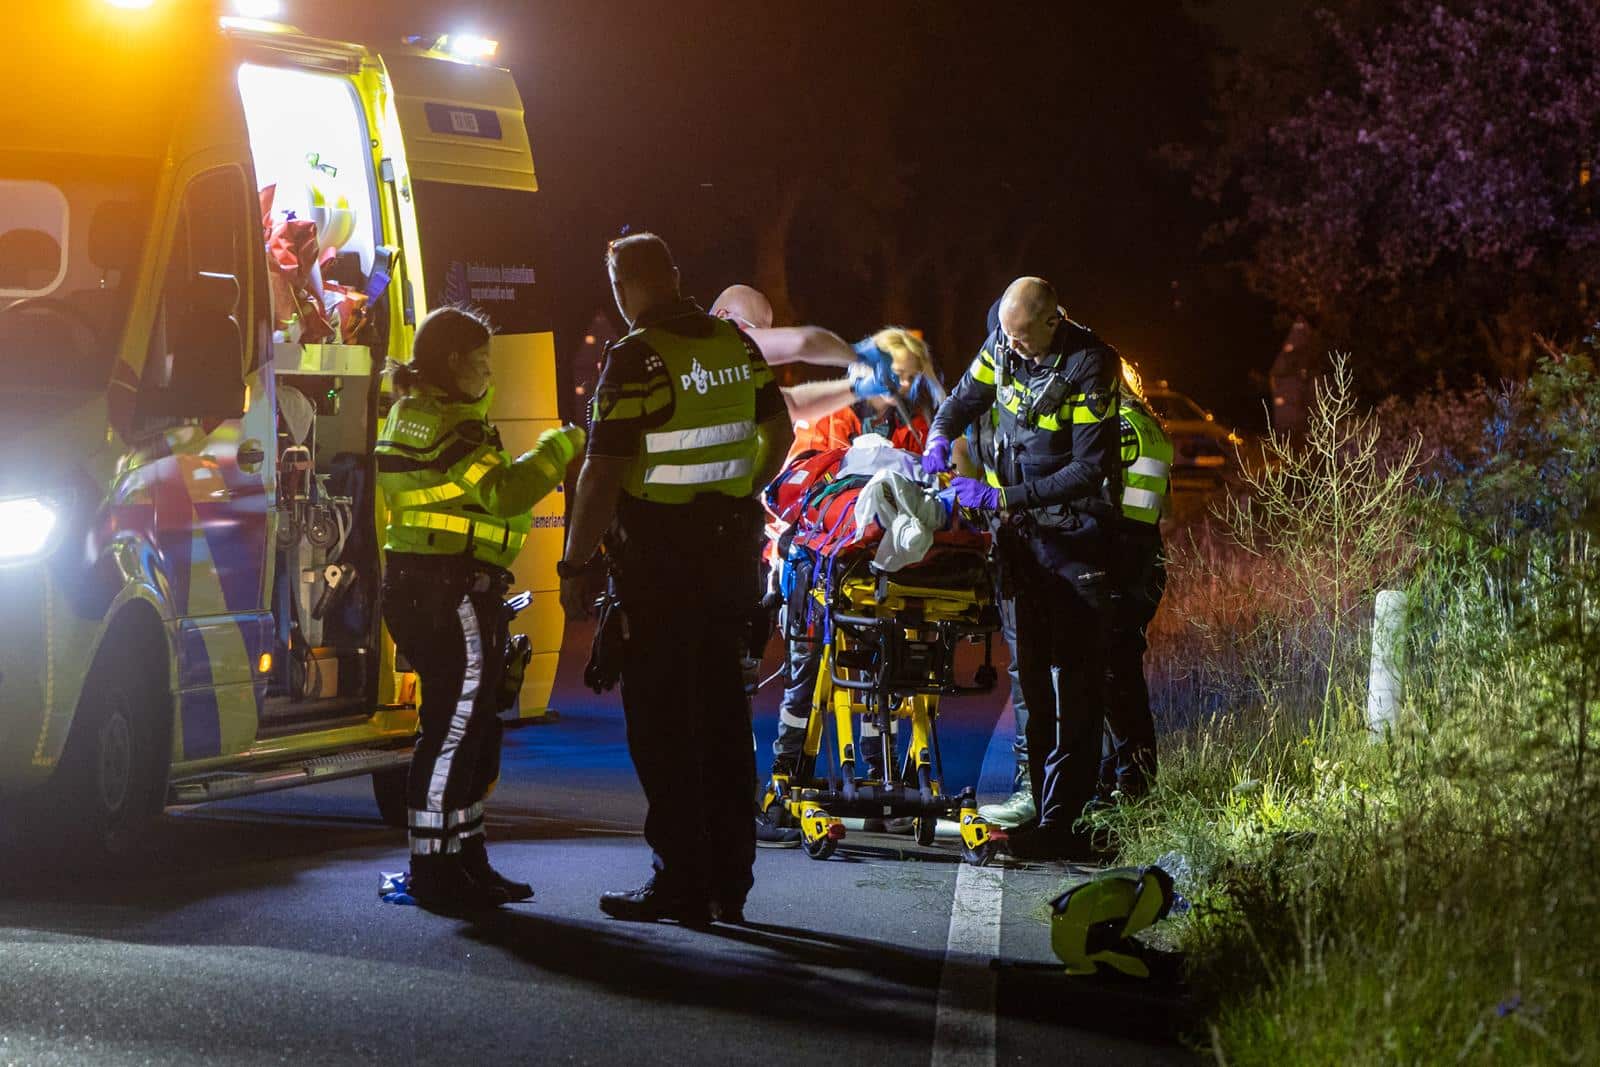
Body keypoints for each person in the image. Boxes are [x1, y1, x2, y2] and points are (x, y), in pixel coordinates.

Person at [560, 233, 794, 923]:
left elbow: (603, 472)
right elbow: (778, 437)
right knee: (723, 719)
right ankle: (730, 882)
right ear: (675, 273)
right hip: (727, 561)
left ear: (624, 285)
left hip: (659, 567)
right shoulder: (734, 346)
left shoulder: (635, 356)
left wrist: (576, 562)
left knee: (662, 724)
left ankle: (680, 880)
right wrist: (736, 492)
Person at [376, 305, 584, 912]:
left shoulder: (411, 414)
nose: (489, 372)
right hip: (450, 591)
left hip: (430, 586)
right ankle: (435, 870)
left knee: (467, 731)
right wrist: (561, 444)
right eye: (482, 360)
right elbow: (507, 492)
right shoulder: (453, 427)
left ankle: (465, 860)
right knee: (453, 734)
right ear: (453, 362)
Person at [924, 277, 1120, 861]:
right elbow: (961, 400)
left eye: (1022, 337)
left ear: (1053, 321)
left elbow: (1089, 469)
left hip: (1076, 544)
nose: (1011, 348)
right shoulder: (1003, 347)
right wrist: (939, 436)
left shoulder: (1090, 364)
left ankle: (1068, 823)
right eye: (1004, 337)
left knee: (1075, 683)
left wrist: (1003, 497)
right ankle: (1037, 800)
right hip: (1022, 546)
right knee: (1030, 680)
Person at [964, 355, 1173, 825]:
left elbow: (1084, 489)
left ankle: (1123, 790)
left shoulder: (1111, 425)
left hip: (1114, 555)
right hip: (1142, 554)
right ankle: (1124, 788)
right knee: (1118, 677)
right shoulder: (1146, 421)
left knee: (1105, 679)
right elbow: (1162, 507)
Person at [756, 328, 941, 846]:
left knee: (875, 671)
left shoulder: (915, 427)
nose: (900, 385)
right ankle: (784, 783)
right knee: (805, 673)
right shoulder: (832, 417)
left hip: (874, 569)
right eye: (895, 374)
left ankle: (878, 785)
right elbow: (801, 487)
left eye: (908, 378)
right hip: (814, 562)